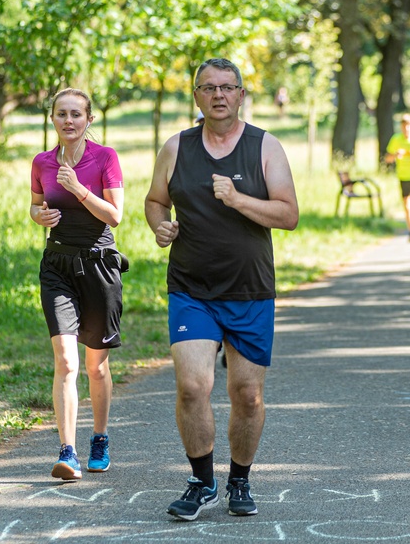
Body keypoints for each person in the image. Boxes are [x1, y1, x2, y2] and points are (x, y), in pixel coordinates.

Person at [145, 58, 299, 521]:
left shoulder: (265, 147)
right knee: (193, 386)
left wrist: (236, 199)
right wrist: (159, 226)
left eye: (227, 87)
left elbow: (288, 215)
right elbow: (155, 200)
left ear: (241, 94)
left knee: (246, 394)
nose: (218, 95)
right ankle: (202, 480)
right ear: (195, 96)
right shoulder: (176, 147)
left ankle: (240, 479)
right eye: (208, 87)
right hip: (191, 287)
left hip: (250, 290)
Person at [29, 88, 126, 481]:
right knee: (66, 361)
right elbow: (36, 205)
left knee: (95, 366)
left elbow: (115, 216)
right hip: (57, 265)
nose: (68, 121)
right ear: (51, 118)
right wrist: (39, 216)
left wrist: (77, 189)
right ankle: (66, 452)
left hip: (99, 265)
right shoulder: (41, 161)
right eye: (61, 114)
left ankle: (99, 438)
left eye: (76, 114)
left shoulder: (105, 157)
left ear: (89, 119)